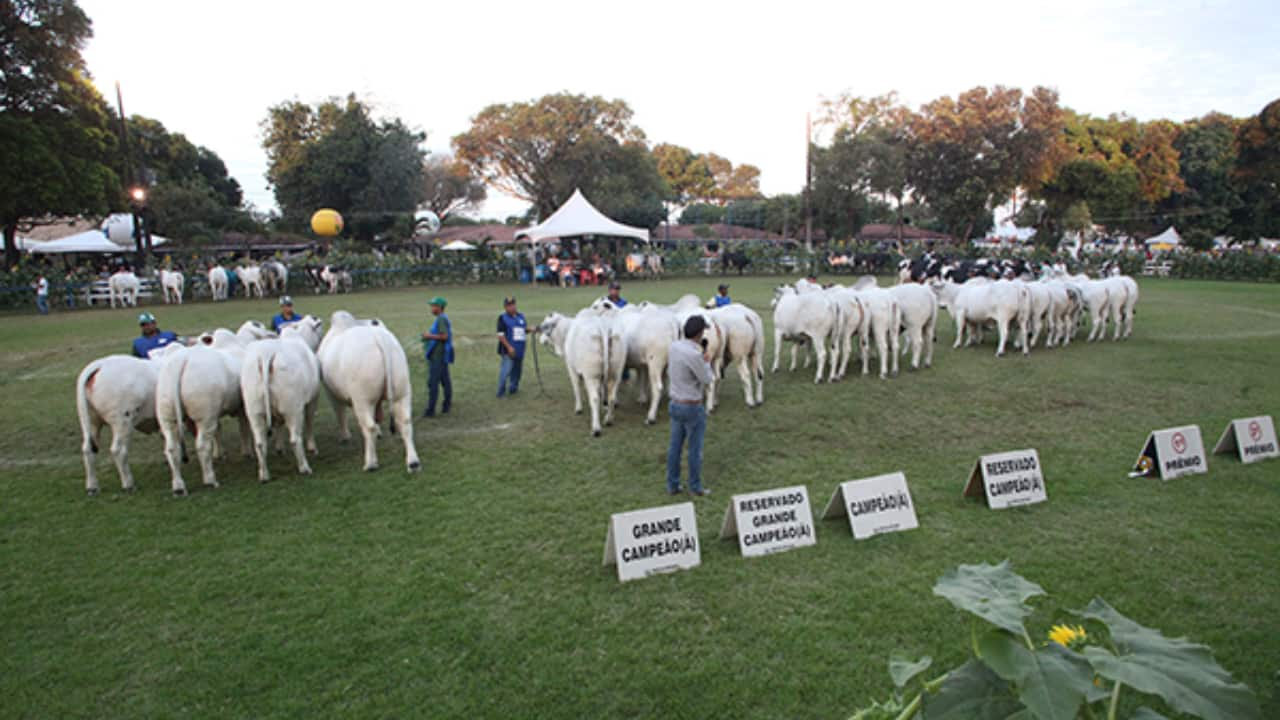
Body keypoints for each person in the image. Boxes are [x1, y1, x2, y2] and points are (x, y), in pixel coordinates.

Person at [666, 315, 714, 497]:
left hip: (675, 403)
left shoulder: (674, 347)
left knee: (675, 448)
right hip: (692, 406)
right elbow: (707, 379)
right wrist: (706, 361)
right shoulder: (694, 355)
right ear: (700, 333)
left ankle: (672, 484)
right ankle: (695, 486)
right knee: (694, 449)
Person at [420, 296, 453, 417]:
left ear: (439, 307)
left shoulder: (441, 320)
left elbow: (444, 336)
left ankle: (431, 410)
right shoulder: (441, 318)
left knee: (433, 383)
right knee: (445, 381)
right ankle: (447, 405)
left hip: (438, 356)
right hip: (441, 355)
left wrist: (429, 336)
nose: (431, 308)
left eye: (433, 306)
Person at [496, 296, 528, 397]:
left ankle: (513, 388)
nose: (512, 307)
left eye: (513, 305)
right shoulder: (502, 318)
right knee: (506, 370)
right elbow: (500, 336)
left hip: (520, 349)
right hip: (508, 350)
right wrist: (509, 347)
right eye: (509, 306)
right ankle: (501, 391)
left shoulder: (521, 316)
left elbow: (522, 330)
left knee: (517, 371)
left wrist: (530, 329)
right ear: (505, 307)